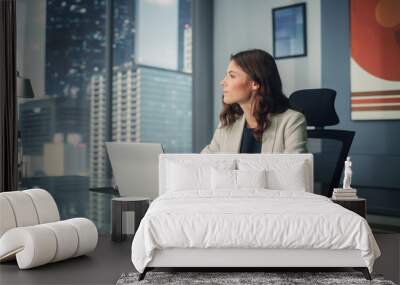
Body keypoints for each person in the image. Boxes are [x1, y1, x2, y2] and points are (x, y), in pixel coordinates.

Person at [201, 49, 307, 154]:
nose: (223, 82)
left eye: (232, 76)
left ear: (255, 84)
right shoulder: (228, 122)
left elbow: (293, 169)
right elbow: (202, 163)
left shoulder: (292, 121)